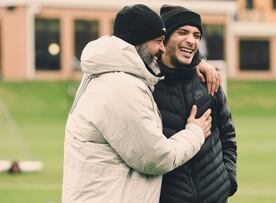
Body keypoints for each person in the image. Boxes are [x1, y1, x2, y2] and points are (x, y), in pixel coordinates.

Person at [62, 4, 217, 203]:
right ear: (138, 42)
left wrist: (197, 62)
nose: (162, 49)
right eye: (158, 41)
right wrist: (195, 132)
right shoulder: (120, 87)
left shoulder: (112, 72)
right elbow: (156, 158)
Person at [153, 5, 237, 202]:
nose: (191, 40)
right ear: (163, 39)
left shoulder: (209, 81)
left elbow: (228, 134)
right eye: (182, 32)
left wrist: (228, 179)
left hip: (215, 196)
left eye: (196, 35)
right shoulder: (147, 86)